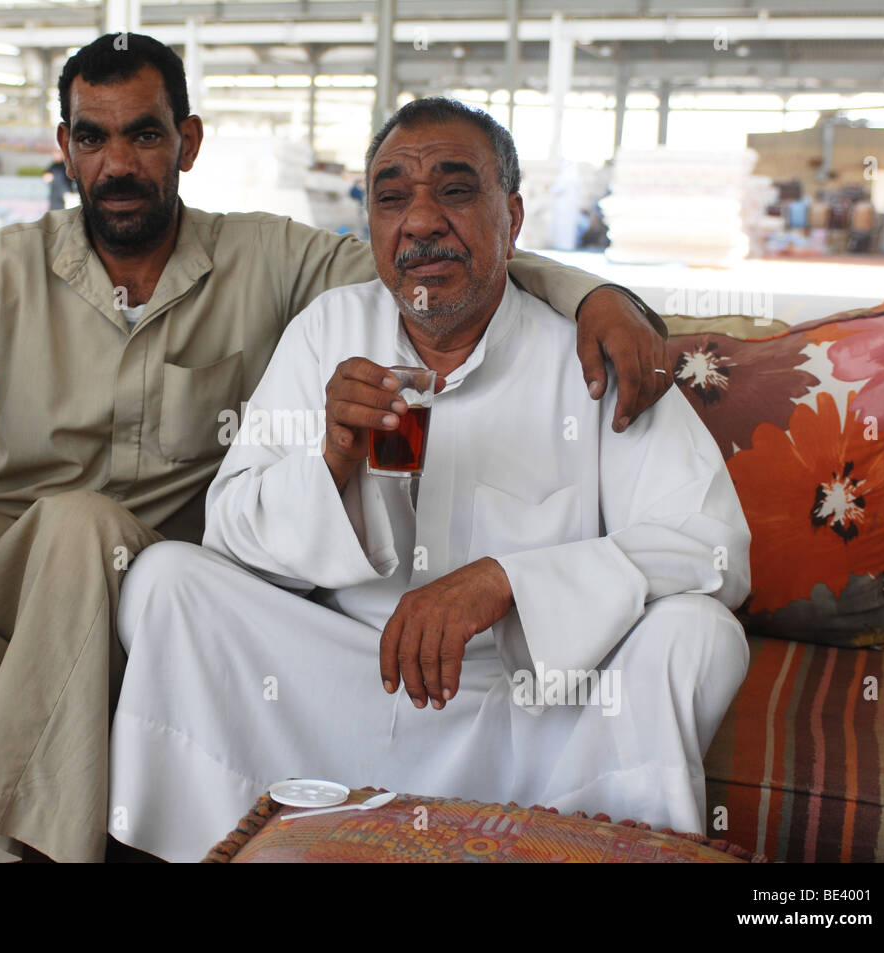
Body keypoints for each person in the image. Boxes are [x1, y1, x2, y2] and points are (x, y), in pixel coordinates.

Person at [0, 34, 673, 864]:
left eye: (143, 133)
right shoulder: (2, 265)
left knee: (84, 527)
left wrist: (592, 296)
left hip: (124, 564)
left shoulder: (270, 257)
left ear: (187, 143)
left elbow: (430, 248)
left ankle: (31, 840)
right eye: (93, 137)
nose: (117, 161)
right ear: (64, 150)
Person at [108, 97, 752, 862]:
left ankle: (587, 847)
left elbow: (715, 552)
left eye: (453, 191)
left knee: (698, 632)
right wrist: (332, 462)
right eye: (391, 198)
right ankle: (234, 844)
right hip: (346, 678)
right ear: (372, 226)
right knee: (165, 578)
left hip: (537, 706)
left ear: (511, 217)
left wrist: (509, 580)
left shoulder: (589, 354)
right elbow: (231, 532)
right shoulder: (327, 331)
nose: (419, 222)